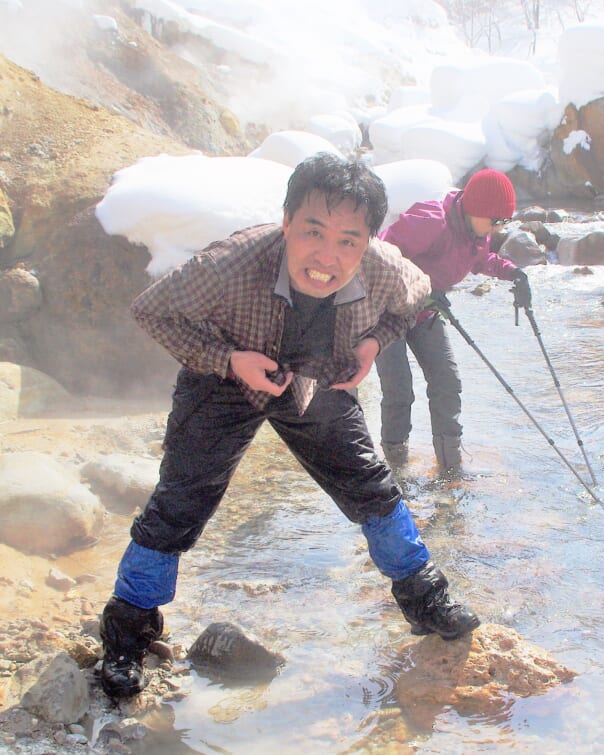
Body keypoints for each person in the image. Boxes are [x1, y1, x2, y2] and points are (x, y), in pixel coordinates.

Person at [98, 152, 480, 701]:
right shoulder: (228, 265)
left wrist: (372, 344)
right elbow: (151, 310)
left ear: (369, 241)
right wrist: (228, 358)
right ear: (285, 222)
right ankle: (128, 635)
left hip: (316, 382)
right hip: (225, 382)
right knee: (179, 505)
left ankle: (426, 600)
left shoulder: (386, 268)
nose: (327, 256)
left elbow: (418, 299)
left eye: (349, 240)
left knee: (372, 489)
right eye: (313, 233)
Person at [375, 168, 529, 475]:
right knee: (400, 389)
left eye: (504, 222)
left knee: (447, 382)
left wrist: (514, 272)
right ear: (475, 208)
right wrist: (422, 287)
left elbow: (479, 259)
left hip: (426, 313)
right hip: (385, 310)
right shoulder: (431, 221)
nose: (497, 228)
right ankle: (396, 468)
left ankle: (450, 469)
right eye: (495, 220)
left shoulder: (476, 232)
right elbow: (380, 254)